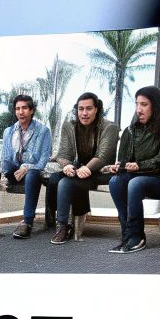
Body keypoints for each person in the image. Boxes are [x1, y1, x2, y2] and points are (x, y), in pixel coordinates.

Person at [101, 86, 160, 254]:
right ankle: (127, 236)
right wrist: (119, 167)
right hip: (135, 178)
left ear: (155, 106)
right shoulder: (131, 129)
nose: (139, 109)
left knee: (135, 183)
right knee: (115, 182)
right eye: (137, 104)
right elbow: (124, 160)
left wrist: (138, 166)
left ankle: (137, 237)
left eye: (144, 104)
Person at [43, 92, 119, 245]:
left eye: (89, 108)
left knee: (65, 182)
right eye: (80, 109)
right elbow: (63, 154)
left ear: (96, 109)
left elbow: (103, 156)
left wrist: (87, 169)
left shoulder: (110, 127)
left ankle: (63, 226)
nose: (84, 113)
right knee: (54, 178)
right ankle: (57, 219)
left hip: (102, 171)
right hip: (78, 169)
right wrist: (67, 166)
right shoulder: (69, 126)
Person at [0, 92, 52, 240]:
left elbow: (42, 161)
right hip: (13, 173)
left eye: (25, 108)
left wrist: (26, 167)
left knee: (32, 174)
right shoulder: (9, 131)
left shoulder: (43, 131)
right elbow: (5, 158)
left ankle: (27, 222)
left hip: (32, 174)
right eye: (18, 108)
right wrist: (5, 175)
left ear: (31, 110)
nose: (21, 112)